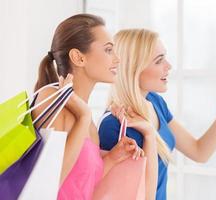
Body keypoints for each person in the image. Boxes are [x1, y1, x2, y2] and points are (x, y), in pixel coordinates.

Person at [98, 29, 216, 200]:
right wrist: (149, 135)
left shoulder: (155, 102)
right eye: (159, 61)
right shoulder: (113, 126)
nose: (168, 66)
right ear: (134, 69)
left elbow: (199, 152)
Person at [32, 14, 144, 199]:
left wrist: (112, 158)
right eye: (108, 50)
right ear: (78, 57)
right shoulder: (52, 99)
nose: (117, 59)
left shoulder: (89, 121)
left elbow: (81, 184)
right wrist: (83, 118)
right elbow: (49, 183)